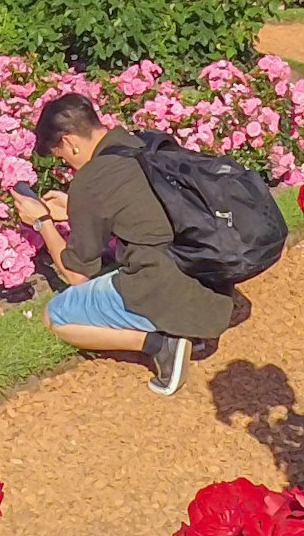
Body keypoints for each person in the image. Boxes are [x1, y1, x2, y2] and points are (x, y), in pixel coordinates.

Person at [12, 91, 223, 393]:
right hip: (204, 272)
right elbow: (138, 207)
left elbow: (76, 275)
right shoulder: (141, 144)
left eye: (62, 155)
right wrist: (75, 207)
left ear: (70, 141)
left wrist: (42, 221)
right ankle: (187, 328)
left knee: (55, 315)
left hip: (160, 285)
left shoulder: (91, 180)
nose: (68, 163)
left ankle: (161, 343)